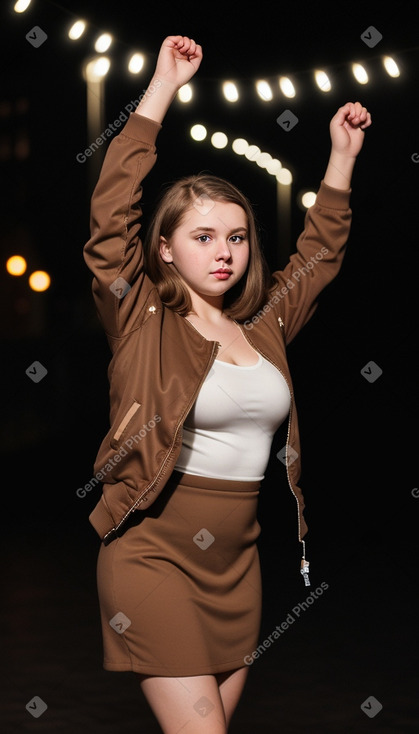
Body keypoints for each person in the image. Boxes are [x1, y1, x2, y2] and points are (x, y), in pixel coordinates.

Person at [83, 34, 372, 734]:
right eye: (204, 236)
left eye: (237, 238)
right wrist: (161, 89)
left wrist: (339, 158)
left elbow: (319, 252)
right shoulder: (139, 313)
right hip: (150, 551)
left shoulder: (265, 322)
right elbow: (110, 212)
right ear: (163, 247)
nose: (224, 253)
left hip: (237, 565)